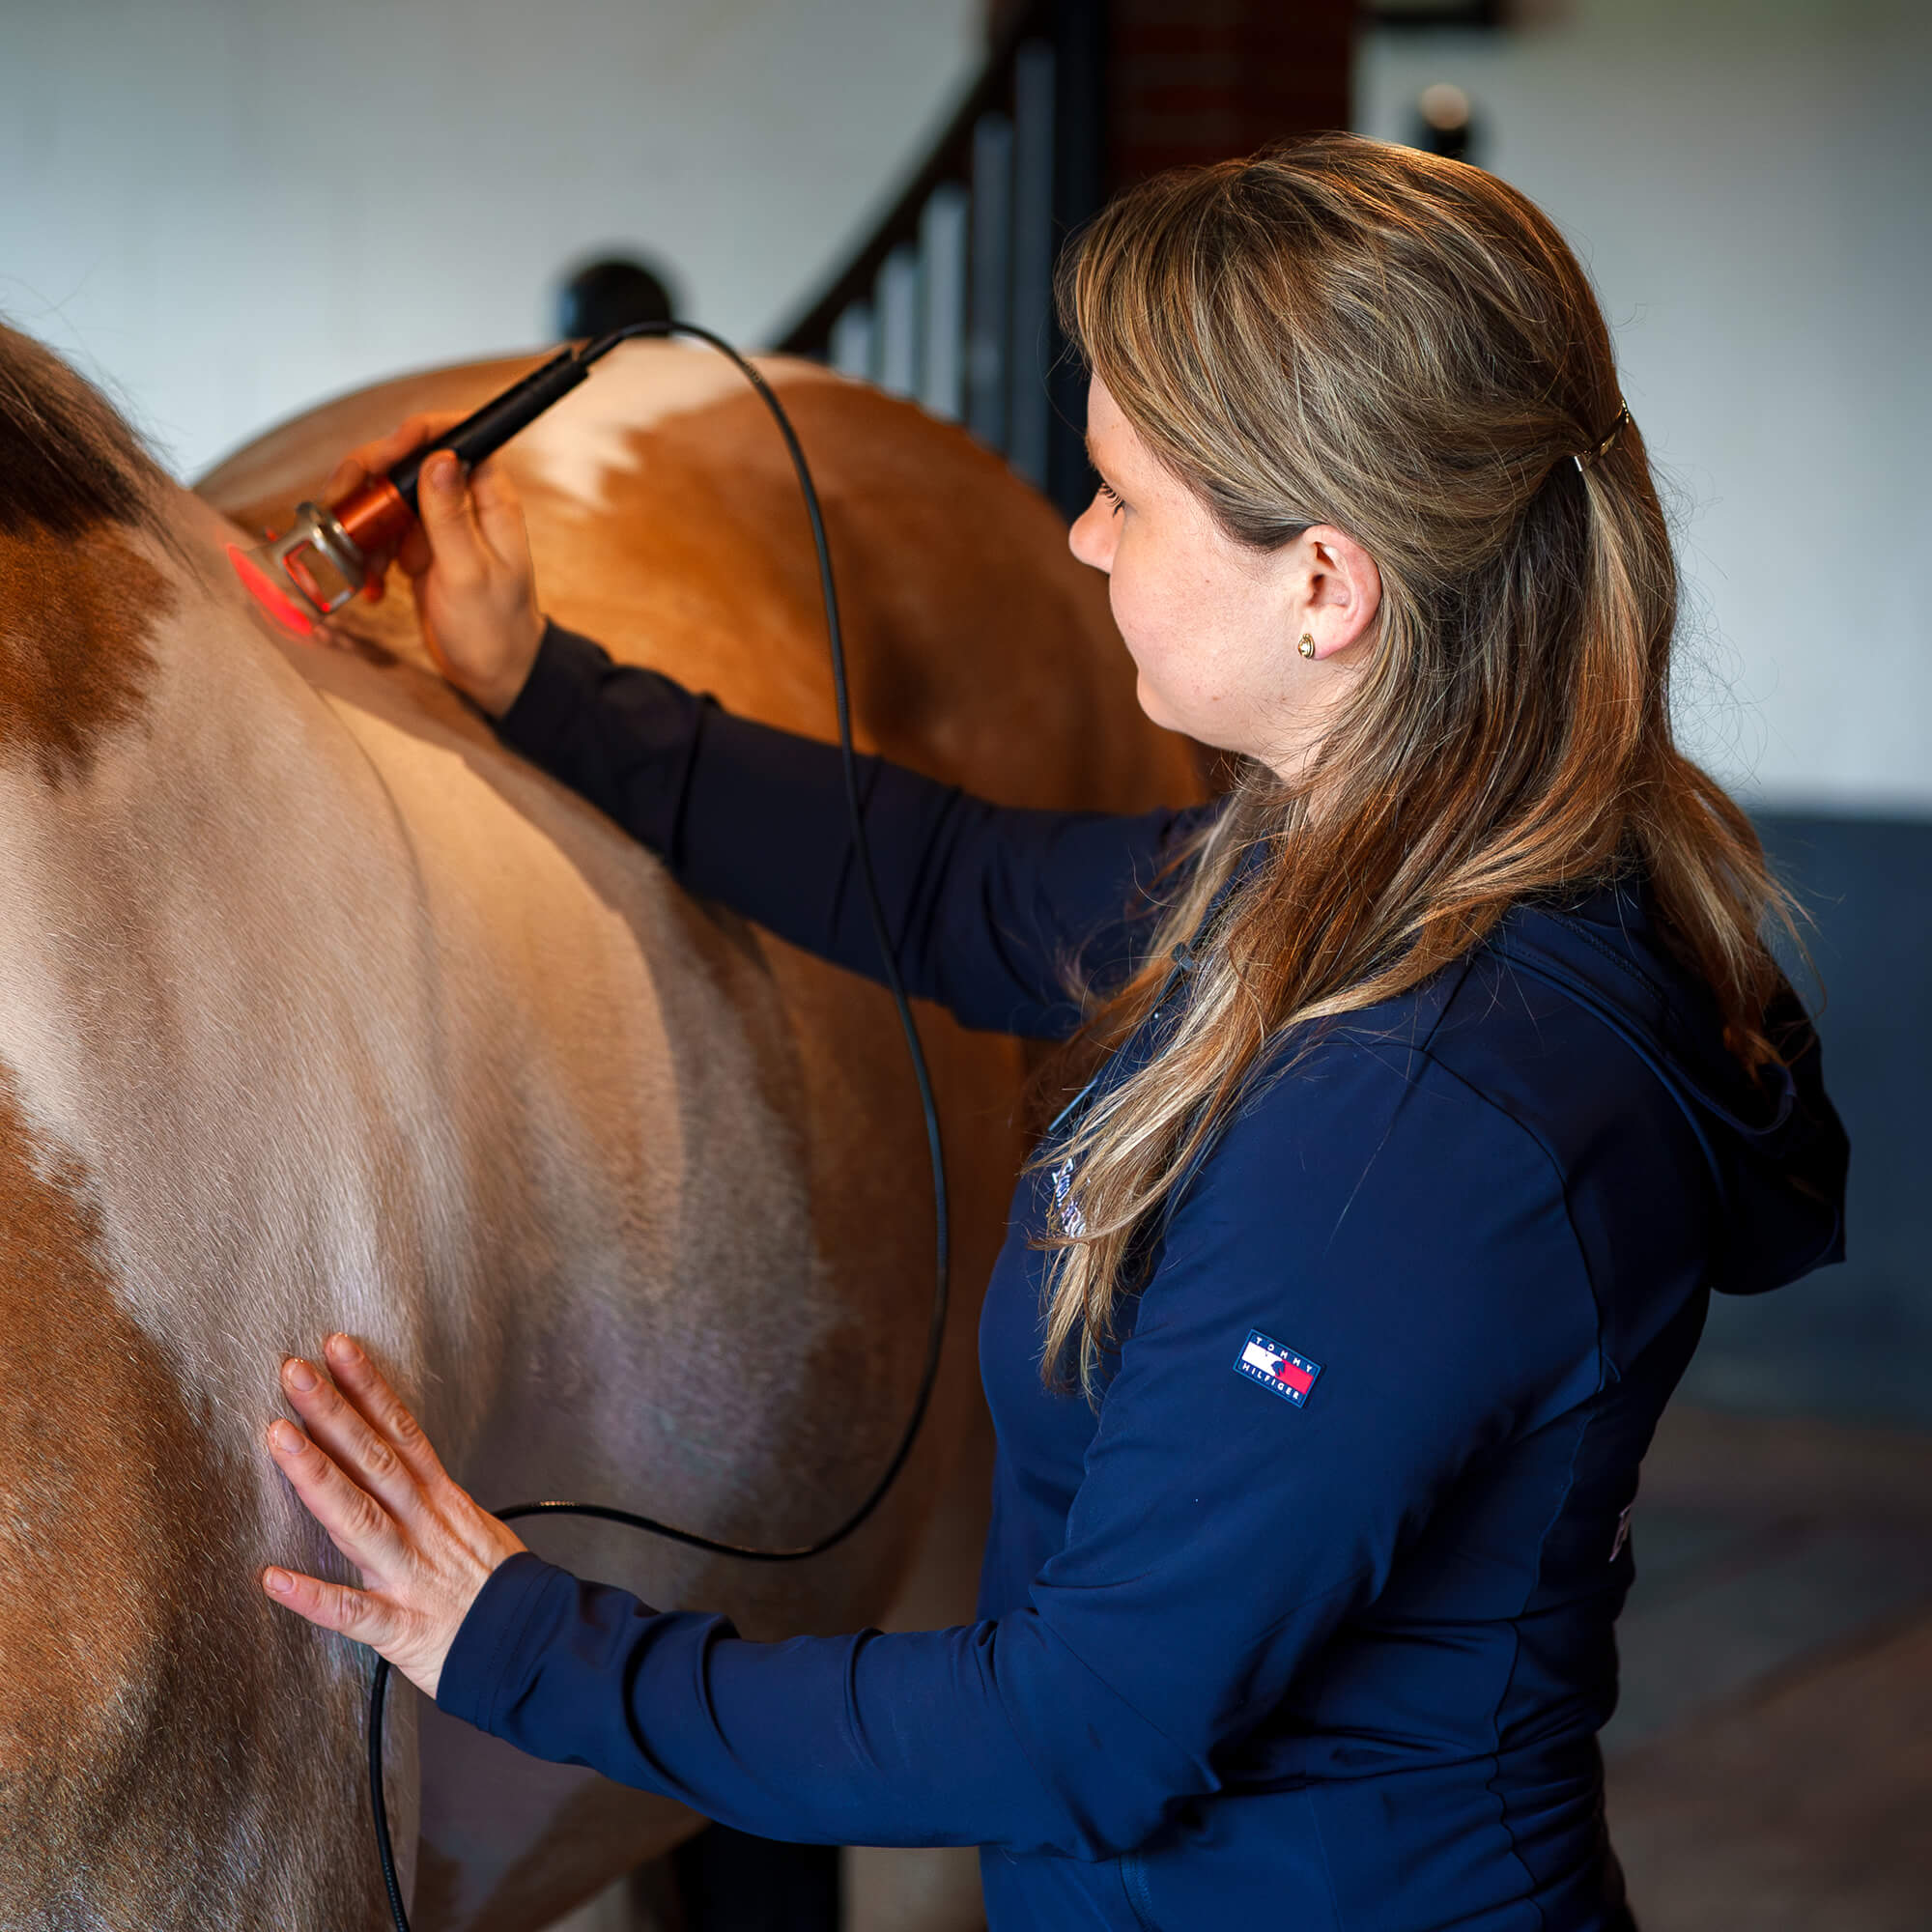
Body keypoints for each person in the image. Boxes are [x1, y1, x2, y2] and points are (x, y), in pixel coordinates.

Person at [260, 136, 1847, 1930]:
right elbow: (954, 884)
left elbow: (1083, 1728)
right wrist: (545, 685)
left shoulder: (1420, 1119)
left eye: (1122, 498)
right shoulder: (1347, 870)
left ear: (1326, 585)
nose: (1083, 539)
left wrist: (515, 1641)